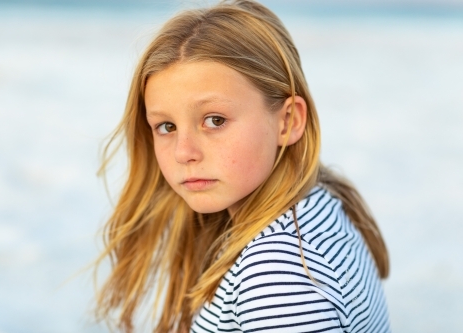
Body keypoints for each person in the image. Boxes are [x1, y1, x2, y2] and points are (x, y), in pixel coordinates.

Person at [95, 1, 390, 332]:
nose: (183, 152)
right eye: (167, 126)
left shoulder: (277, 280)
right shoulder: (320, 200)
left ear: (288, 121)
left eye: (215, 120)